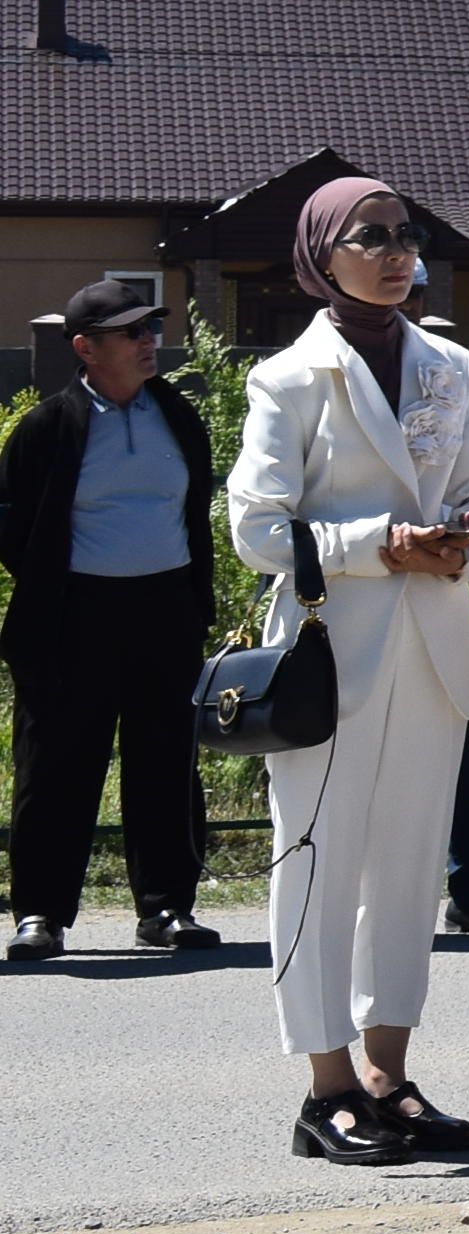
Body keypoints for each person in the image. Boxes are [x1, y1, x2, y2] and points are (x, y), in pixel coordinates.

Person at [229, 175, 469, 1168]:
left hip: (433, 647)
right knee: (317, 860)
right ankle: (328, 1086)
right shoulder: (289, 379)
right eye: (371, 237)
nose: (396, 253)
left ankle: (389, 1074)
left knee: (408, 866)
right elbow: (255, 528)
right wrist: (375, 546)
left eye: (406, 235)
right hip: (326, 657)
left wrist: (460, 540)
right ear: (322, 255)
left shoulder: (452, 366)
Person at [4, 278, 220, 957]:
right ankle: (41, 914)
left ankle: (167, 908)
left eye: (150, 327)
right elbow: (13, 524)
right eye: (130, 332)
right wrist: (55, 586)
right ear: (85, 348)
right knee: (56, 766)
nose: (148, 340)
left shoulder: (178, 415)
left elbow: (195, 513)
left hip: (166, 612)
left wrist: (193, 601)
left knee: (167, 762)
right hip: (73, 617)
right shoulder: (47, 426)